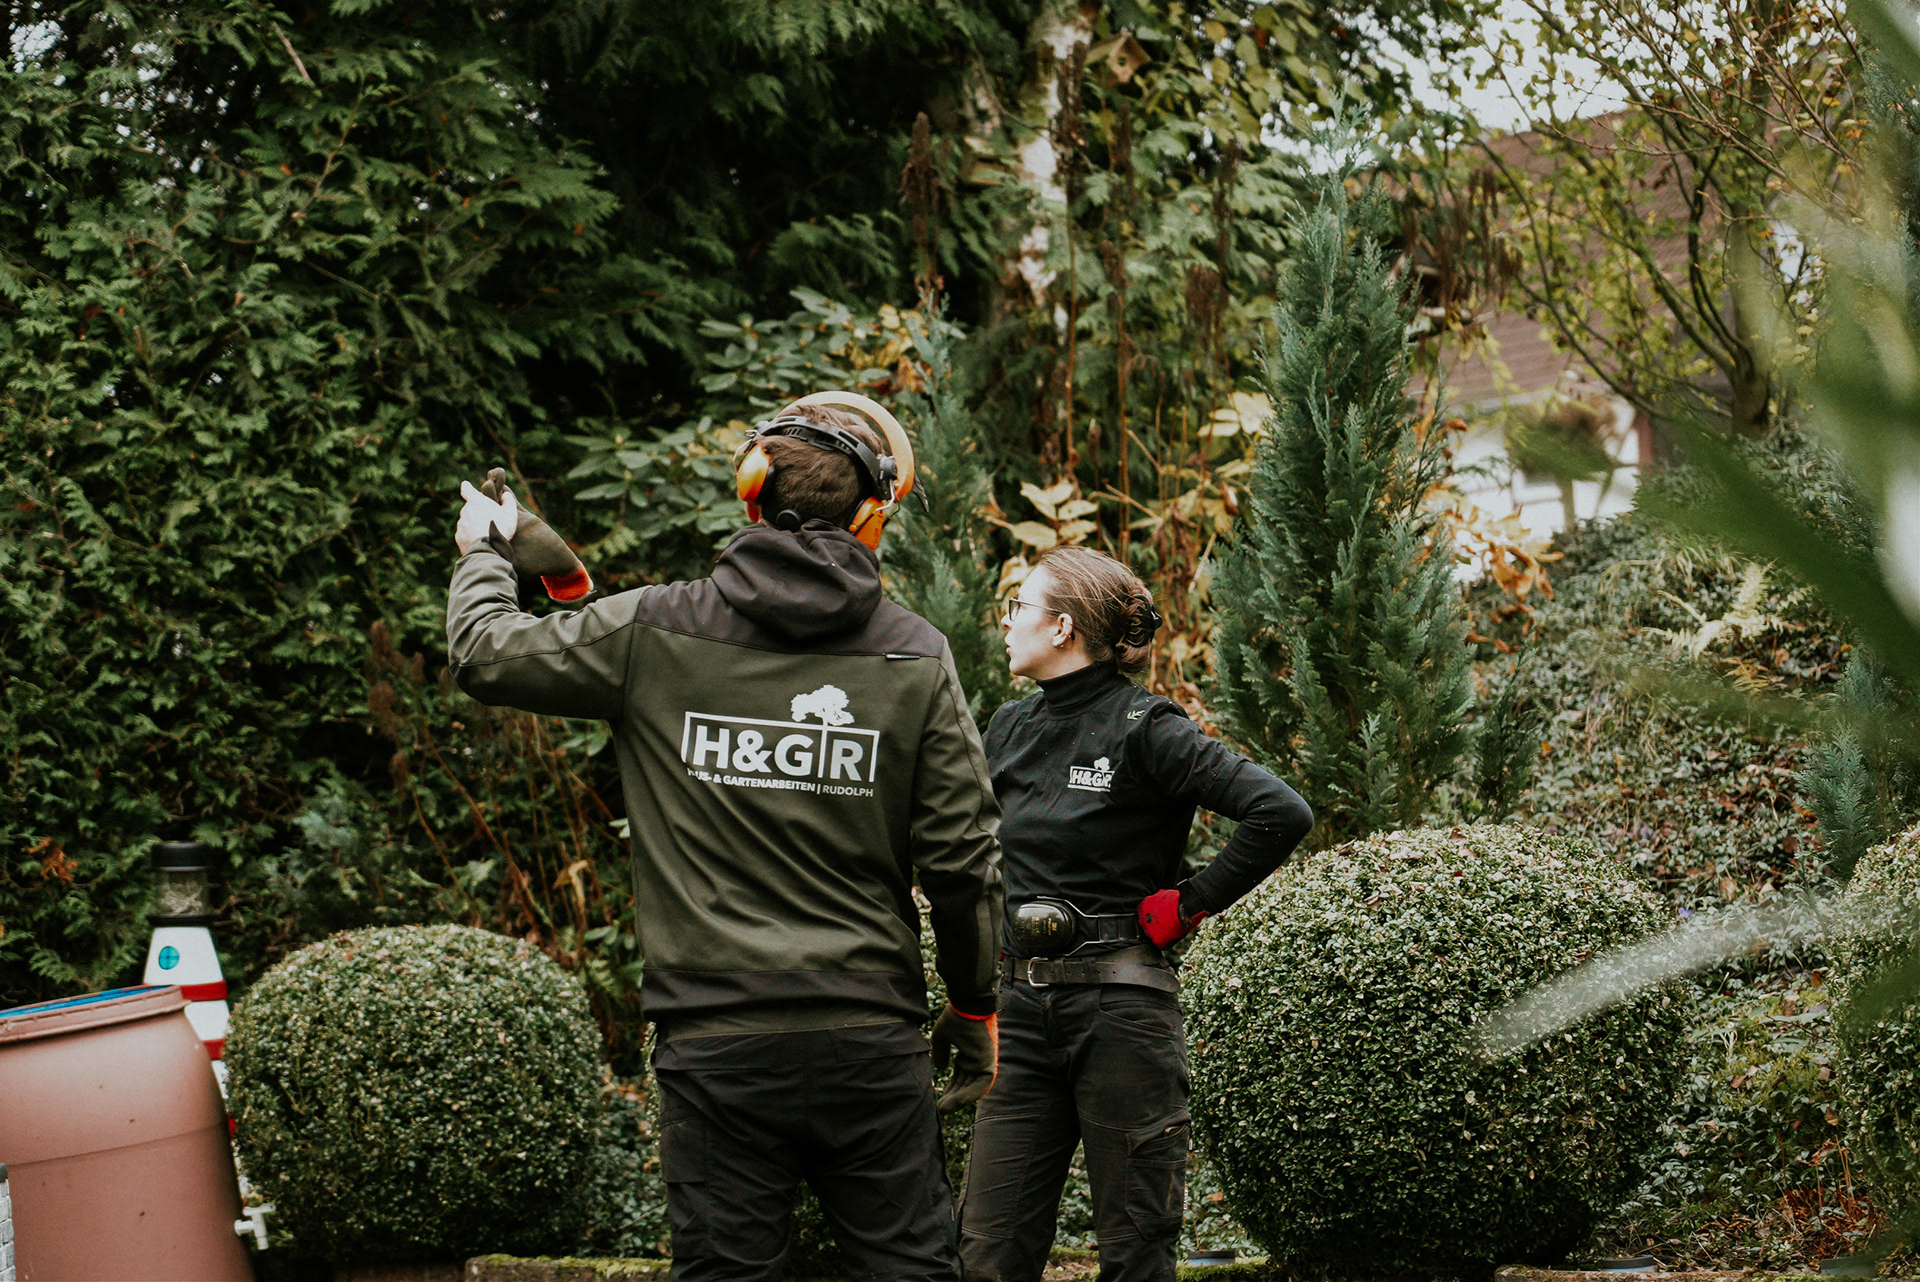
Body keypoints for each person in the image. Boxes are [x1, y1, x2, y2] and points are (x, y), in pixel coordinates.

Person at [446, 394, 1004, 1282]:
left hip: (716, 1048)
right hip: (869, 1038)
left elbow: (485, 650)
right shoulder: (916, 653)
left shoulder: (656, 630)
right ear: (872, 518)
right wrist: (975, 1007)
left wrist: (483, 553)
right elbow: (965, 864)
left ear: (749, 496)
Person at [958, 545, 1314, 1282]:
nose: (1008, 621)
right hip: (1020, 1016)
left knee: (1135, 1246)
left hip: (1119, 1012)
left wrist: (1189, 902)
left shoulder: (1145, 727)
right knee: (987, 1250)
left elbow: (1279, 812)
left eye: (1020, 607)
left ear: (1060, 628)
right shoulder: (1007, 728)